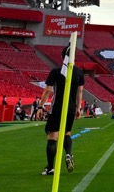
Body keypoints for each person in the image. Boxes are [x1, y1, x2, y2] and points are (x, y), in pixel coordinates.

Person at [39, 47, 85, 176]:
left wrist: (40, 106)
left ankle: (50, 168)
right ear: (74, 57)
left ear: (62, 57)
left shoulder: (55, 71)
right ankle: (69, 154)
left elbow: (47, 90)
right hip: (71, 107)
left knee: (52, 137)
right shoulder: (79, 72)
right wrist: (78, 108)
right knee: (67, 133)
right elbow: (80, 91)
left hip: (57, 107)